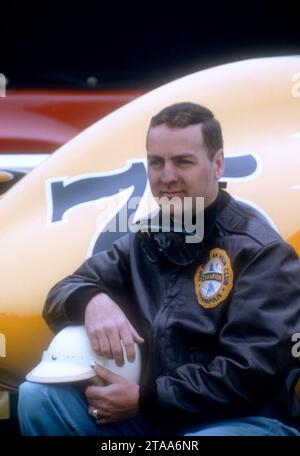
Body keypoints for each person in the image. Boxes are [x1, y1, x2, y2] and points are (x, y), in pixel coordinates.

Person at [18, 102, 300, 436]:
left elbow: (252, 372)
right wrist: (91, 300)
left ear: (218, 164)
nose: (167, 177)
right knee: (36, 397)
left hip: (243, 421)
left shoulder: (261, 252)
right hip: (153, 418)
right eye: (156, 162)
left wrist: (147, 399)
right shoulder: (145, 239)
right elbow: (63, 291)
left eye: (183, 161)